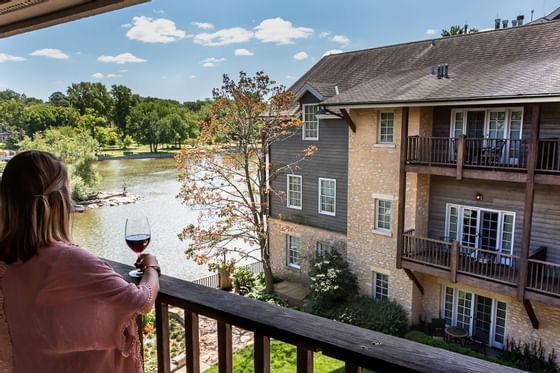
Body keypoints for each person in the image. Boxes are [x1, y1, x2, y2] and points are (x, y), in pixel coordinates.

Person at [0, 151, 160, 372]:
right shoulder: (69, 261)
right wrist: (152, 267)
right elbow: (142, 300)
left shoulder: (6, 261)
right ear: (60, 201)